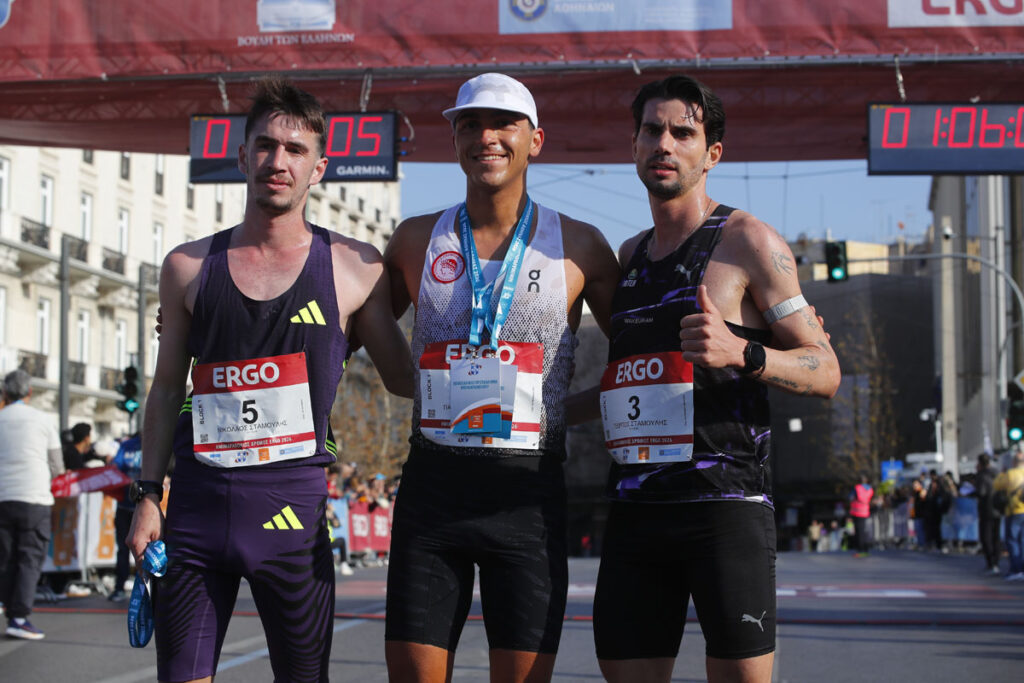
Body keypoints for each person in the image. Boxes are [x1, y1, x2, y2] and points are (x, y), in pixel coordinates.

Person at [127, 76, 414, 683]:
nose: (277, 161)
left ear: (319, 169)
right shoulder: (186, 267)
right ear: (242, 157)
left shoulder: (355, 268)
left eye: (295, 150)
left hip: (292, 520)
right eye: (265, 145)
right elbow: (166, 388)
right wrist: (148, 494)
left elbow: (404, 381)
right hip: (198, 512)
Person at [591, 74, 841, 683]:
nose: (664, 144)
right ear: (633, 145)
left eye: (684, 133)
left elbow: (826, 369)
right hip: (636, 509)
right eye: (652, 130)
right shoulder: (628, 255)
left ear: (712, 154)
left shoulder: (747, 241)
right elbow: (627, 383)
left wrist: (743, 352)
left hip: (724, 509)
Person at [382, 72, 618, 681]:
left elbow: (640, 356)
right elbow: (349, 326)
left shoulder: (581, 246)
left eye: (503, 124)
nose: (485, 136)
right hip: (433, 494)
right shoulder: (414, 239)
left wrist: (562, 408)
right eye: (470, 124)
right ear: (455, 140)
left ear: (535, 140)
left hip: (528, 498)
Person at [0, 369, 64, 640]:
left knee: (5, 557)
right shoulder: (43, 419)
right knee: (29, 558)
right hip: (34, 497)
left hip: (3, 496)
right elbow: (58, 466)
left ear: (5, 392)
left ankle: (7, 606)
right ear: (29, 392)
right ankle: (18, 618)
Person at [108, 433, 142, 601]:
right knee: (123, 549)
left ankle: (146, 590)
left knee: (145, 550)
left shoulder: (159, 441)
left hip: (144, 508)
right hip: (125, 506)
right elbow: (115, 468)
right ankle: (119, 587)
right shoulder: (128, 445)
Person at [993, 450, 1024, 580]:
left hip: (1014, 510)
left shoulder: (1011, 474)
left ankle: (1016, 569)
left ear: (1014, 462)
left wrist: (1002, 473)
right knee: (1022, 541)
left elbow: (997, 485)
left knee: (1012, 540)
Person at [973, 453, 1001, 575]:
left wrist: (971, 492)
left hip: (986, 509)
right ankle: (996, 563)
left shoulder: (982, 475)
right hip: (998, 508)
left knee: (986, 537)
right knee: (996, 537)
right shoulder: (997, 473)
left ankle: (991, 563)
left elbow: (981, 492)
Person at [850, 475, 874, 556]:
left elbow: (851, 497)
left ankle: (860, 549)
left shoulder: (857, 488)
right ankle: (864, 548)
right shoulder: (870, 489)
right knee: (863, 530)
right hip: (865, 511)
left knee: (858, 531)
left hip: (856, 511)